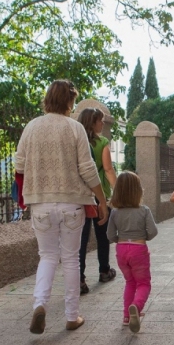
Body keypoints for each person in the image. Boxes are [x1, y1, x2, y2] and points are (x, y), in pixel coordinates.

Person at [14, 79, 108, 334]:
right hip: (72, 204)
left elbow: (19, 166)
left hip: (41, 204)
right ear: (69, 100)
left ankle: (39, 304)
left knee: (47, 256)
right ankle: (71, 316)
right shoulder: (74, 128)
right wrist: (101, 200)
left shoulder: (32, 127)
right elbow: (88, 169)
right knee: (70, 259)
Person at [106, 171, 158, 333]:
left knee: (130, 282)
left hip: (121, 250)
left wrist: (119, 240)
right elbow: (153, 231)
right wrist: (144, 237)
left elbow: (109, 235)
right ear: (138, 191)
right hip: (138, 250)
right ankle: (136, 306)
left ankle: (127, 316)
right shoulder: (144, 210)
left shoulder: (114, 212)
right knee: (143, 283)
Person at [77, 107, 118, 294]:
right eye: (100, 120)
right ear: (93, 122)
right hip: (98, 194)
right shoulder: (102, 142)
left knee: (81, 239)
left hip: (79, 196)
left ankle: (80, 279)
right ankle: (104, 270)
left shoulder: (76, 140)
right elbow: (108, 169)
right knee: (103, 234)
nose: (103, 123)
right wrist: (117, 191)